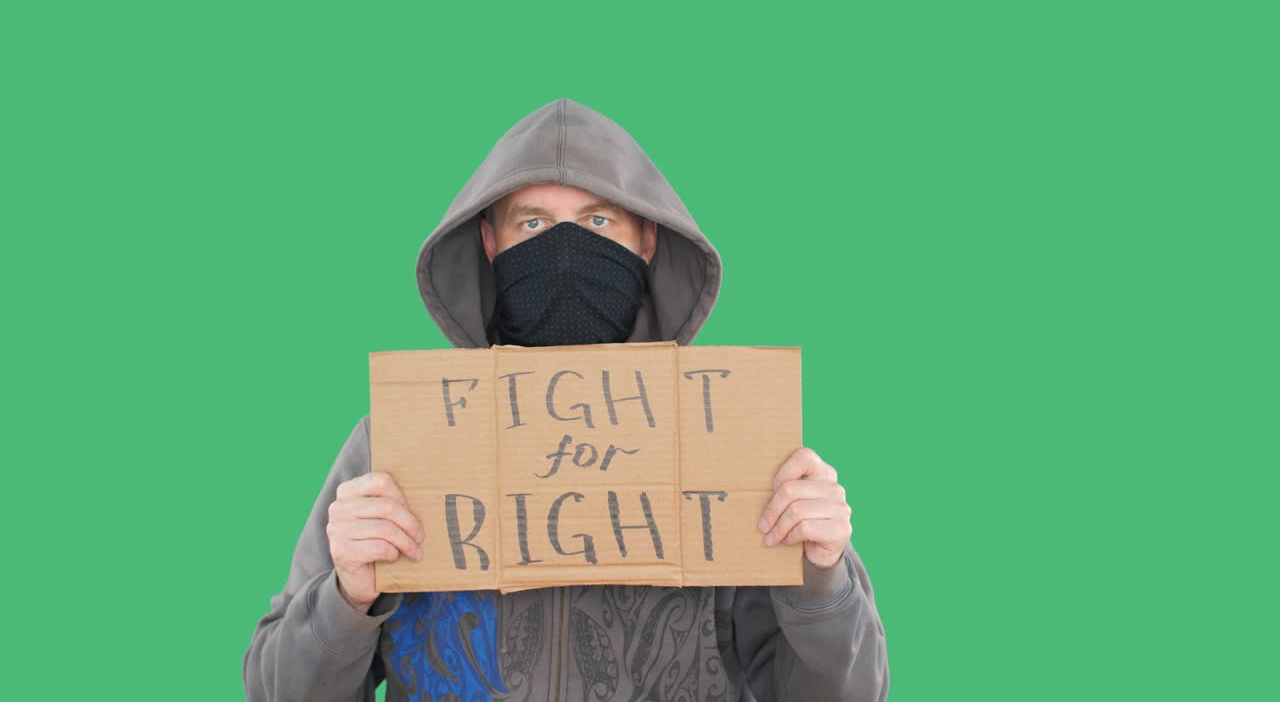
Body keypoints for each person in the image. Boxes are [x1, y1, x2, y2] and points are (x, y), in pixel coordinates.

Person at [243, 98, 889, 702]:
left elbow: (849, 693)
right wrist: (346, 599)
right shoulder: (396, 442)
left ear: (647, 240)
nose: (564, 251)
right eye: (533, 223)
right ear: (491, 245)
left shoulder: (729, 438)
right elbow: (275, 690)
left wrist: (822, 580)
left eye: (597, 221)